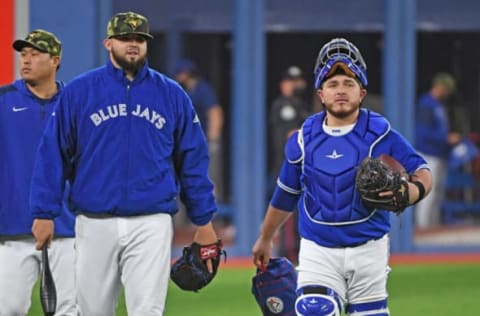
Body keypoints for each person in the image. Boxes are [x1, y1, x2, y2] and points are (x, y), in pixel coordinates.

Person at [29, 12, 220, 316]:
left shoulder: (171, 94)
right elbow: (52, 154)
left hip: (151, 221)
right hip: (94, 221)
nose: (133, 44)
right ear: (108, 43)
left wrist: (204, 221)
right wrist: (44, 212)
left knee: (148, 311)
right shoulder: (79, 92)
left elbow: (193, 161)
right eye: (125, 38)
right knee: (94, 311)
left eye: (139, 39)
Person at [252, 38, 432, 315]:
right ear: (320, 94)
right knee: (314, 309)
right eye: (332, 84)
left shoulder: (379, 132)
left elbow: (421, 169)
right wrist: (265, 237)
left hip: (369, 247)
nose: (340, 91)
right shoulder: (302, 139)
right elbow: (286, 193)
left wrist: (414, 190)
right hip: (318, 248)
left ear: (361, 92)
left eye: (349, 84)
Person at [0, 30, 76, 315]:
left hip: (67, 228)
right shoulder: (3, 101)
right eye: (23, 54)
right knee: (8, 309)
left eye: (35, 54)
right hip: (13, 228)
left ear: (55, 60)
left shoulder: (75, 103)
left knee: (69, 310)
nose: (26, 60)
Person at [269, 66, 310, 263]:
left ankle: (300, 254)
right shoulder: (283, 105)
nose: (294, 85)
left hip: (304, 168)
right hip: (288, 167)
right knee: (288, 213)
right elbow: (292, 136)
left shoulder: (301, 105)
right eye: (290, 81)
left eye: (297, 81)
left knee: (303, 212)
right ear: (282, 84)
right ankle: (288, 256)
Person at [414, 72, 461, 229]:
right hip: (427, 154)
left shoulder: (438, 105)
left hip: (439, 154)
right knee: (428, 193)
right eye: (446, 89)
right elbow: (422, 132)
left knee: (437, 194)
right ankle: (423, 228)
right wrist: (446, 138)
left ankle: (431, 226)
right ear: (440, 86)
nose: (447, 93)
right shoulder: (426, 103)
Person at [174, 59, 224, 200]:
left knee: (209, 176)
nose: (179, 76)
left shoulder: (202, 89)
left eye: (182, 73)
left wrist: (213, 140)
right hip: (187, 142)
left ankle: (213, 217)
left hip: (203, 141)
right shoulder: (182, 90)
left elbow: (215, 112)